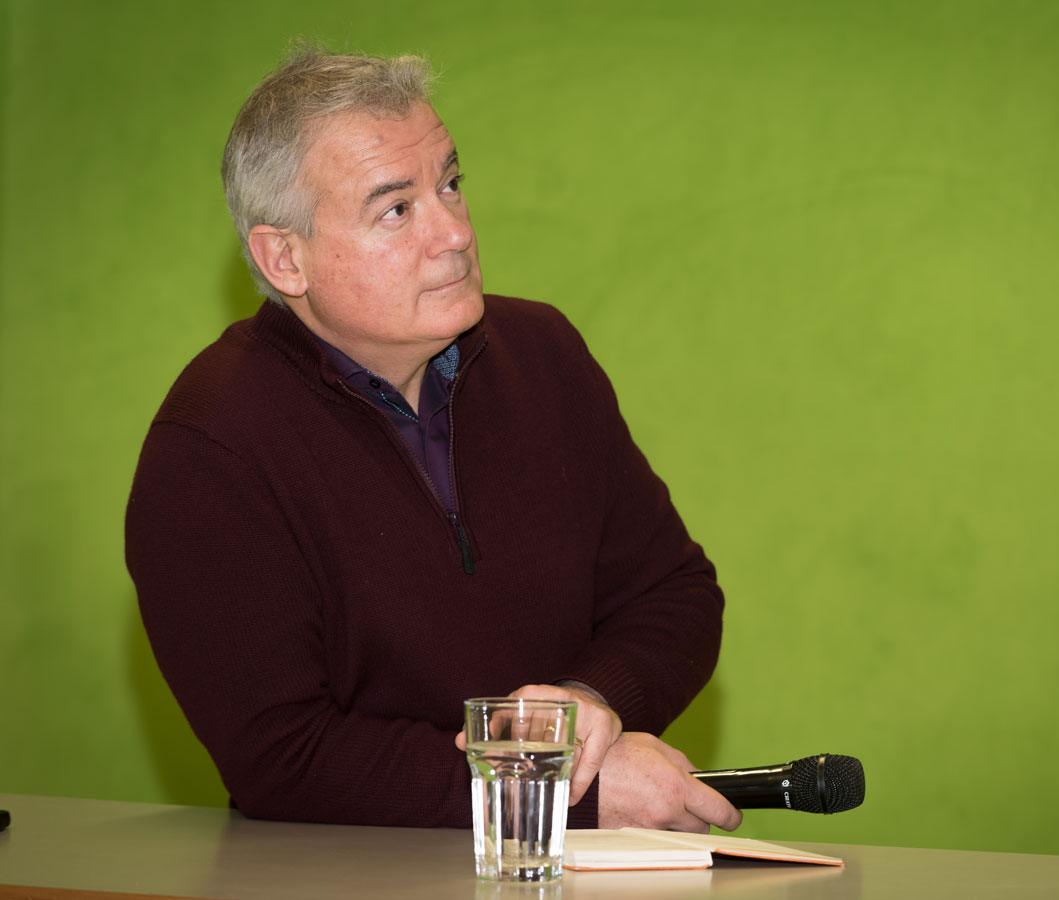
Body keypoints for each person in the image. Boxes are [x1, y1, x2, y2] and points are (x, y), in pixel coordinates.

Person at [125, 46, 741, 835]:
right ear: (285, 258)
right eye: (396, 209)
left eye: (450, 184)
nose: (454, 231)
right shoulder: (211, 443)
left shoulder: (544, 354)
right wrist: (551, 789)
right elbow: (283, 758)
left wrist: (588, 703)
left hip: (572, 872)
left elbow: (674, 594)